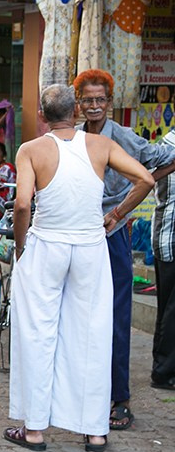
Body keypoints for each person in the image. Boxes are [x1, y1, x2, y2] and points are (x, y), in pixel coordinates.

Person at [5, 83, 154, 452]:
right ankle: (95, 431)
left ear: (42, 115)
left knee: (39, 333)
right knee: (91, 335)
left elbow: (23, 205)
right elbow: (146, 179)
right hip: (90, 247)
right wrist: (116, 214)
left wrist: (21, 247)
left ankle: (35, 429)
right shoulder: (101, 145)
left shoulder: (31, 149)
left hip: (47, 245)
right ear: (76, 112)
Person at [74, 69, 175, 430]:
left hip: (113, 233)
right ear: (78, 103)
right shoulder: (74, 138)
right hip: (79, 232)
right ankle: (85, 395)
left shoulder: (123, 137)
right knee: (81, 315)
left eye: (101, 99)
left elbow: (159, 162)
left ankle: (121, 400)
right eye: (88, 100)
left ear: (110, 103)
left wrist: (123, 209)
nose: (95, 106)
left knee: (117, 316)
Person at [151, 143, 175, 392]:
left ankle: (163, 368)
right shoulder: (168, 146)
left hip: (165, 235)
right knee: (170, 308)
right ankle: (164, 371)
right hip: (169, 236)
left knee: (167, 306)